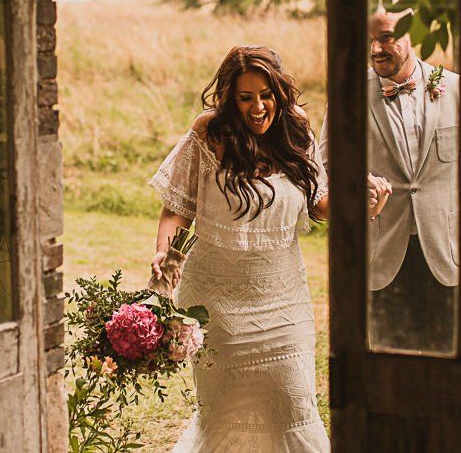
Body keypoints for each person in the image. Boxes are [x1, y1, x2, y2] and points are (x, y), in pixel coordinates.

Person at [149, 46, 385, 451]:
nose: (257, 107)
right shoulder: (210, 133)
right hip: (214, 303)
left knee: (294, 408)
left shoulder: (296, 130)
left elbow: (319, 204)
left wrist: (358, 197)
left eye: (265, 95)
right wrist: (164, 256)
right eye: (245, 98)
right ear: (229, 98)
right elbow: (177, 209)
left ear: (279, 92)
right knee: (222, 415)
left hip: (283, 301)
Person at [320, 7, 461, 354]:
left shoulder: (459, 90)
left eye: (385, 38)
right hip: (381, 255)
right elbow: (324, 169)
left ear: (412, 35)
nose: (375, 49)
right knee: (393, 373)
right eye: (369, 40)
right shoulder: (348, 95)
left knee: (451, 371)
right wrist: (358, 184)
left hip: (446, 255)